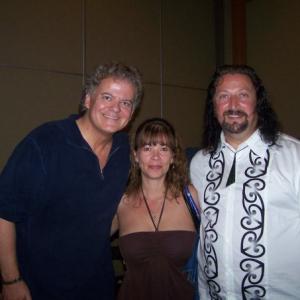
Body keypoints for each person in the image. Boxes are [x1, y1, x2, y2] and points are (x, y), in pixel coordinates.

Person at [0, 62, 143, 300]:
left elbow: (116, 211)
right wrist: (11, 280)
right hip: (38, 287)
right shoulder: (44, 143)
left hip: (97, 286)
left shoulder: (125, 153)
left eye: (125, 103)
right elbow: (4, 213)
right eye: (107, 97)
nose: (115, 108)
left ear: (132, 112)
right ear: (87, 99)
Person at [190, 64, 300, 299]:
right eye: (223, 96)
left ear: (258, 101)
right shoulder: (200, 163)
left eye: (243, 95)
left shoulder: (294, 157)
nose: (233, 105)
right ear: (214, 106)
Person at [111, 117, 200, 300]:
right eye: (147, 148)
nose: (156, 157)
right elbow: (87, 244)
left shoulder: (190, 196)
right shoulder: (120, 201)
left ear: (173, 157)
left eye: (164, 149)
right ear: (135, 156)